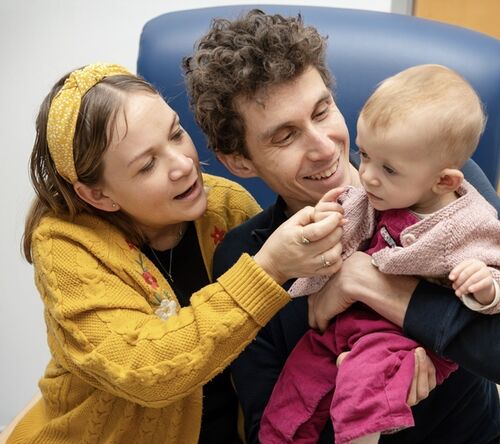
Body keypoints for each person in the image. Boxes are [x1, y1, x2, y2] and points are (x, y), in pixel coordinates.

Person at [184, 9, 500, 444]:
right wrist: (358, 400)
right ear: (239, 162)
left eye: (322, 111)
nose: (324, 148)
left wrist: (372, 285)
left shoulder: (440, 184)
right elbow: (271, 428)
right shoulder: (249, 262)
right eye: (285, 136)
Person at [8, 63, 346, 444]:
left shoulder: (227, 208)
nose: (183, 165)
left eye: (176, 134)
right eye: (148, 164)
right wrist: (267, 270)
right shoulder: (66, 246)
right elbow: (146, 370)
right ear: (97, 195)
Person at [259, 64, 500, 444]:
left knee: (364, 384)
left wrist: (487, 287)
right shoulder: (373, 196)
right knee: (298, 379)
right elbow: (347, 231)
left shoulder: (468, 221)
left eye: (388, 168)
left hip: (407, 338)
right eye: (365, 155)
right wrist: (328, 221)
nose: (366, 175)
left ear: (443, 181)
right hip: (348, 326)